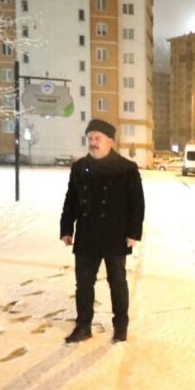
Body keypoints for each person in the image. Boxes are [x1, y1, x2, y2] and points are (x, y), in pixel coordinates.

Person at [60, 119, 145, 344]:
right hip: (87, 235)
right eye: (90, 138)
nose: (93, 142)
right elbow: (71, 201)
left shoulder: (126, 168)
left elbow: (137, 204)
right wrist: (66, 228)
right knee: (84, 283)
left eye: (97, 138)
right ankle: (83, 326)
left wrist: (133, 233)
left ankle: (120, 327)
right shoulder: (80, 167)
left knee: (117, 282)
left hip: (115, 234)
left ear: (110, 141)